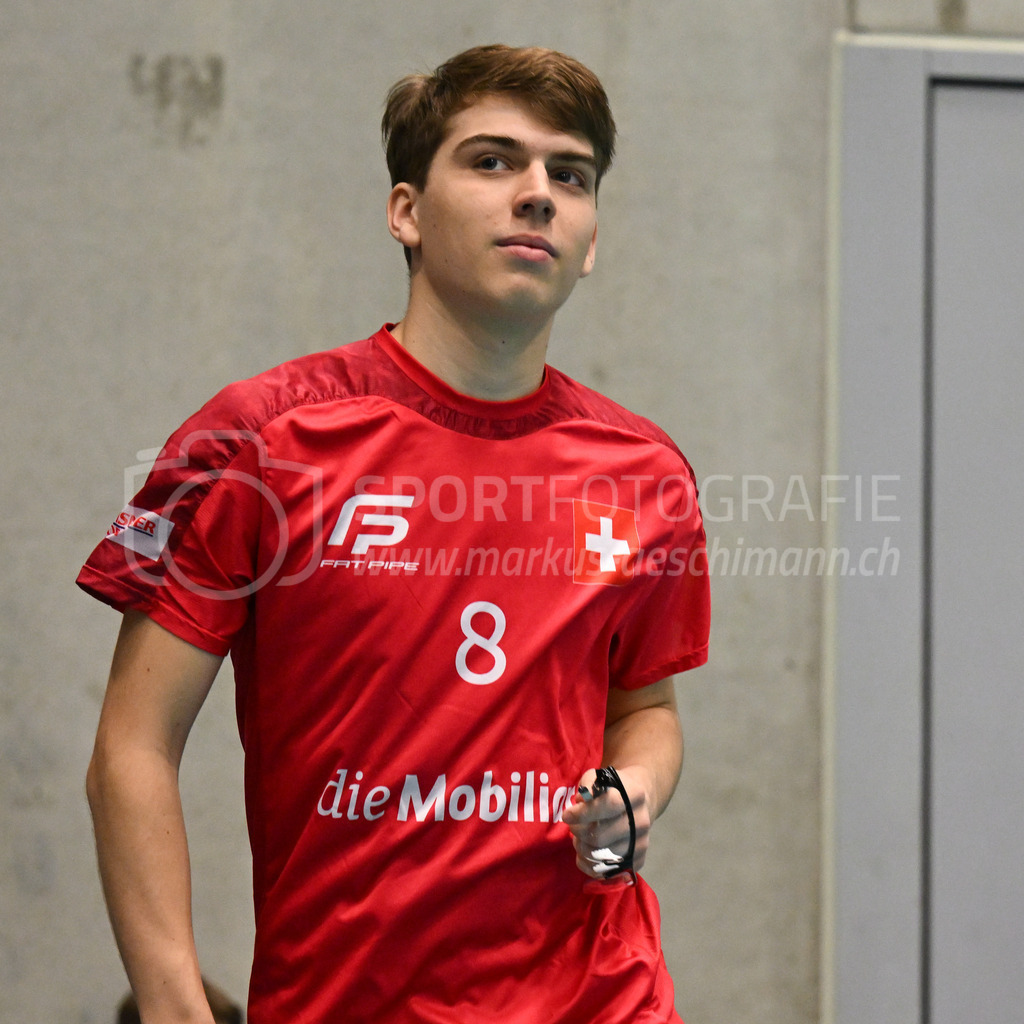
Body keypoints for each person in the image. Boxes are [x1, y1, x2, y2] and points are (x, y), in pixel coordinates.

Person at [81, 43, 710, 1024]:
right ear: (405, 212)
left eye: (569, 174)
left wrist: (635, 786)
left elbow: (647, 705)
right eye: (493, 160)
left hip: (604, 998)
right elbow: (133, 745)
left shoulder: (646, 475)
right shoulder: (258, 439)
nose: (537, 193)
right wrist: (172, 1005)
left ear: (590, 239)